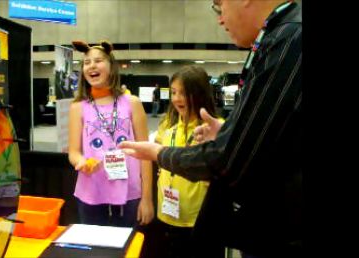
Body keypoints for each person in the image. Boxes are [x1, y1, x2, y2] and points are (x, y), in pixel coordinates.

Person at [118, 0, 302, 257]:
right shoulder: (280, 37)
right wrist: (230, 134)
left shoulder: (290, 39)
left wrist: (159, 153)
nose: (220, 19)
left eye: (219, 5)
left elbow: (226, 161)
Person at [68, 40, 154, 227]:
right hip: (90, 191)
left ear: (111, 66)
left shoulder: (132, 103)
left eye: (98, 60)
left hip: (129, 193)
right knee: (95, 251)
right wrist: (80, 162)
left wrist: (147, 198)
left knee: (126, 251)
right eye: (87, 62)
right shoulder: (78, 107)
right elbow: (73, 152)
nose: (92, 66)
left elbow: (146, 154)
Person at [149, 65, 219, 258]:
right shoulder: (167, 127)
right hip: (167, 214)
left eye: (184, 93)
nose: (177, 98)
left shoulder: (213, 129)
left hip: (199, 219)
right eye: (174, 92)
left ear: (199, 94)